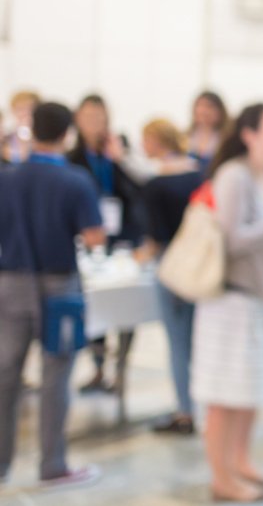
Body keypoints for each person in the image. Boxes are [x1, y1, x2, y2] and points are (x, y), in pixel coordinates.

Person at [0, 102, 105, 491]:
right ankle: (53, 464)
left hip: (11, 282)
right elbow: (94, 236)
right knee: (55, 375)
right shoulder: (75, 181)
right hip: (59, 286)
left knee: (6, 374)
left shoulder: (7, 177)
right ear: (67, 133)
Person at [190, 104, 263, 503]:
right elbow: (232, 239)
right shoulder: (234, 175)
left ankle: (240, 462)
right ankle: (222, 477)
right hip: (230, 301)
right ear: (249, 134)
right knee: (224, 394)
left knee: (250, 389)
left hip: (260, 298)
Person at [68, 94, 145, 394]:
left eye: (99, 117)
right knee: (94, 303)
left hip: (123, 234)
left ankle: (122, 368)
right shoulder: (74, 157)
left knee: (127, 300)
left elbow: (140, 188)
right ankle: (99, 367)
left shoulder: (120, 149)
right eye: (88, 117)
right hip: (89, 235)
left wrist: (120, 159)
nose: (94, 123)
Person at [136, 119, 205, 435]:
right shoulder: (200, 174)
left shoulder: (156, 185)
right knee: (198, 338)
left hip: (172, 266)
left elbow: (156, 239)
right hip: (201, 262)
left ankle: (185, 410)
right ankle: (201, 406)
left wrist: (139, 256)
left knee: (178, 341)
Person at [189, 91, 229, 173]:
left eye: (209, 106)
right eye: (200, 105)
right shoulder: (187, 136)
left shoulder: (226, 138)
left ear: (220, 111)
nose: (203, 110)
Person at [2, 90, 39, 165]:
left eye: (30, 109)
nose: (25, 113)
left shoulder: (43, 138)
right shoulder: (5, 138)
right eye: (20, 109)